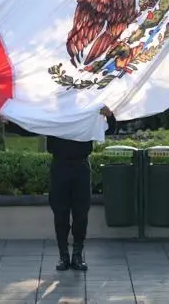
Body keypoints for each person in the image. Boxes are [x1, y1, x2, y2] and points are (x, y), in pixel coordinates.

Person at [44, 106, 117, 272]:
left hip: (81, 165)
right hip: (60, 166)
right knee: (60, 213)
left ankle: (77, 254)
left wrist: (109, 115)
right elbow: (30, 127)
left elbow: (110, 129)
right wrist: (10, 120)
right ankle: (63, 255)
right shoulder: (52, 112)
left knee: (81, 213)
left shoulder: (88, 109)